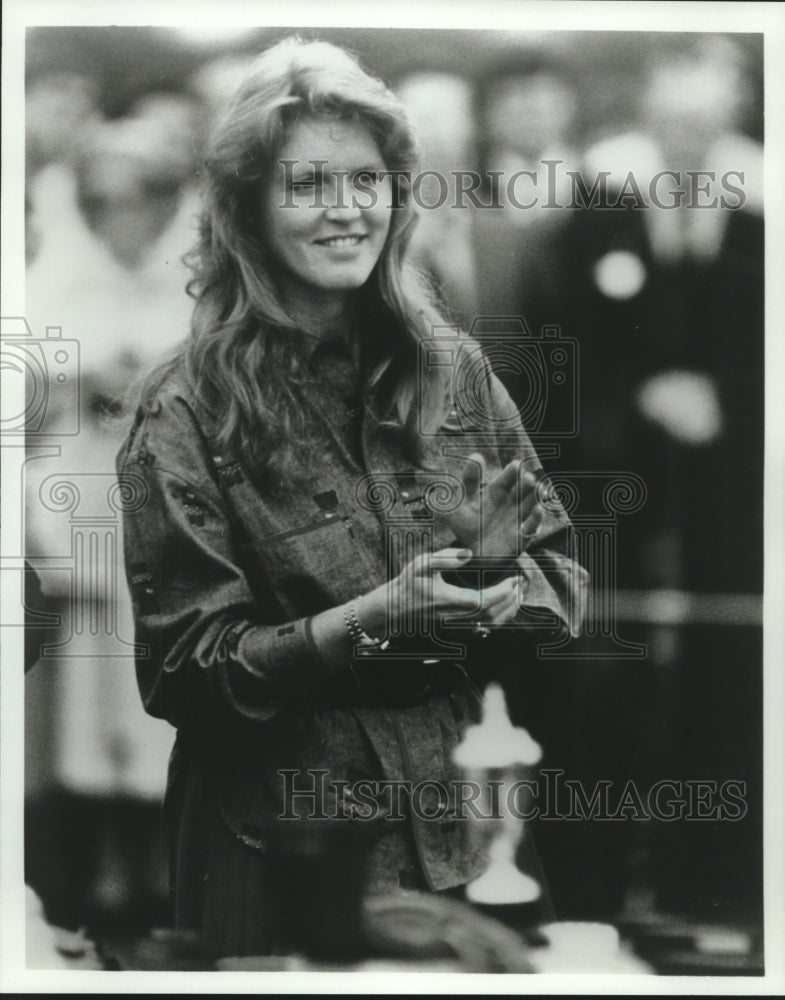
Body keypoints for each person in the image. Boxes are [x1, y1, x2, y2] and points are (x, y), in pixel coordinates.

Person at [117, 37, 588, 959]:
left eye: (366, 181)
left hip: (459, 843)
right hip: (277, 852)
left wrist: (498, 583)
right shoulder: (183, 407)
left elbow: (561, 587)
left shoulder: (453, 371)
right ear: (246, 208)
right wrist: (367, 621)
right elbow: (182, 674)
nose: (345, 211)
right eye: (307, 185)